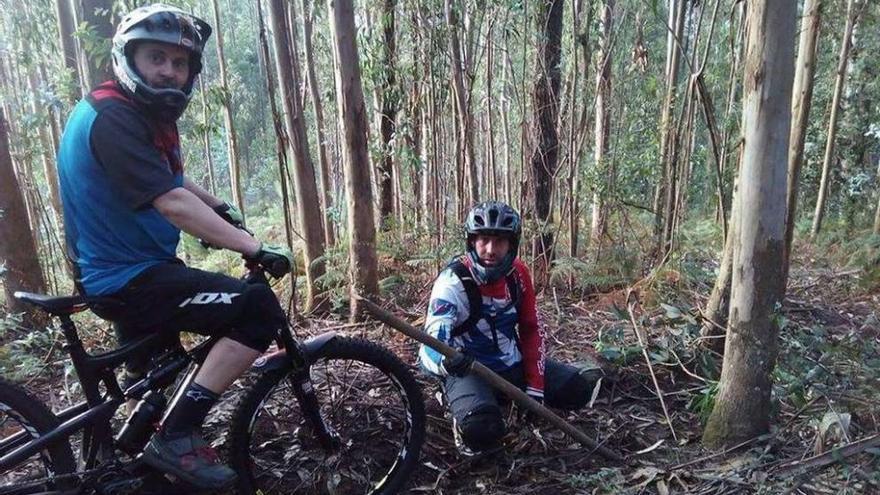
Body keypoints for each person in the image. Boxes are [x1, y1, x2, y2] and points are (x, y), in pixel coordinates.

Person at [56, 4, 292, 489]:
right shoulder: (114, 117)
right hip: (128, 278)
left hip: (131, 271)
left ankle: (131, 466)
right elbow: (171, 202)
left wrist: (220, 207)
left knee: (159, 382)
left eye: (179, 63)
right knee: (256, 310)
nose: (168, 70)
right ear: (129, 58)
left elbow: (174, 181)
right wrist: (253, 246)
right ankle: (177, 436)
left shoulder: (137, 114)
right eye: (156, 57)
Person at [418, 201, 602, 455]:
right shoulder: (452, 282)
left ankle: (503, 397)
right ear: (472, 241)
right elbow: (429, 345)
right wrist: (446, 363)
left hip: (511, 365)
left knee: (579, 390)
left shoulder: (518, 275)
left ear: (512, 244)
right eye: (483, 239)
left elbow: (530, 330)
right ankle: (464, 404)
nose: (490, 250)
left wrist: (535, 388)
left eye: (500, 241)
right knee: (482, 432)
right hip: (469, 371)